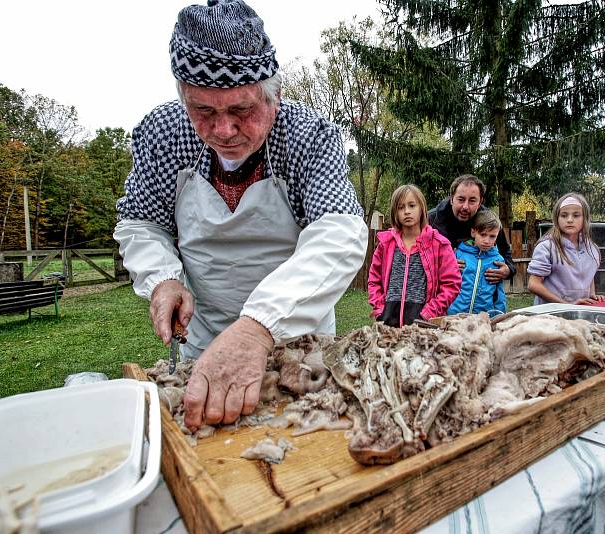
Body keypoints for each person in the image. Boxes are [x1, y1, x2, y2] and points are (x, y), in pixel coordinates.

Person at [114, 0, 368, 430]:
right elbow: (141, 223)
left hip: (300, 345)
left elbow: (339, 234)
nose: (224, 130)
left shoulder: (307, 135)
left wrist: (258, 327)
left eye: (241, 110)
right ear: (184, 99)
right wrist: (163, 277)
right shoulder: (162, 133)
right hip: (204, 343)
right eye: (204, 111)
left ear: (274, 95)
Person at [367, 185, 461, 326]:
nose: (406, 212)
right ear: (395, 212)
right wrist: (380, 309)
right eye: (400, 207)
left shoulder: (439, 244)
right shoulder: (385, 244)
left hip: (424, 326)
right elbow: (374, 280)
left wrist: (429, 312)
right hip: (388, 323)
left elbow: (452, 284)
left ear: (421, 208)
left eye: (412, 205)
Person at [428, 174, 516, 283]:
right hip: (440, 292)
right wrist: (441, 265)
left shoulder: (489, 222)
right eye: (461, 199)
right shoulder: (430, 221)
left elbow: (505, 252)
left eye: (472, 201)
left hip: (479, 295)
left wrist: (508, 270)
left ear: (480, 202)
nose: (465, 206)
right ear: (451, 199)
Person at [527, 193, 605, 305]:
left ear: (585, 218)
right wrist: (566, 305)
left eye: (576, 215)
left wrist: (592, 294)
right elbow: (533, 284)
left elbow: (589, 274)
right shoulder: (547, 247)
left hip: (579, 314)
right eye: (564, 215)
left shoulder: (592, 249)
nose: (569, 220)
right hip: (550, 316)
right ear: (556, 218)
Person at [447, 210, 507, 317]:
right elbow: (447, 284)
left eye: (492, 236)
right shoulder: (458, 254)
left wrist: (500, 316)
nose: (487, 241)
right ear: (473, 232)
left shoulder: (498, 260)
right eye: (483, 234)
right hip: (454, 315)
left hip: (483, 318)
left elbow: (499, 294)